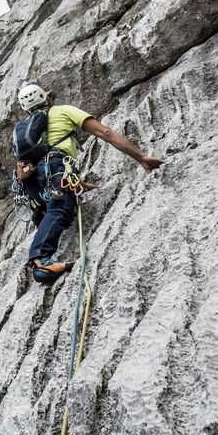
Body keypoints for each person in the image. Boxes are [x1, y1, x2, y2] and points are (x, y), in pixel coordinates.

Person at [13, 82, 165, 284]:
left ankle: (43, 245)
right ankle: (41, 262)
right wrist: (141, 157)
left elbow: (37, 159)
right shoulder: (63, 111)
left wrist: (79, 184)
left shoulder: (23, 129)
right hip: (55, 169)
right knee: (59, 209)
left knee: (49, 210)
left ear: (25, 108)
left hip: (31, 181)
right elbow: (105, 133)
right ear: (47, 99)